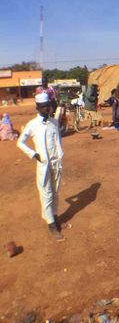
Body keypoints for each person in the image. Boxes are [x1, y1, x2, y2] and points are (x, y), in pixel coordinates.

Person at [17, 93, 66, 241]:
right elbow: (20, 142)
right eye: (44, 107)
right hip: (43, 165)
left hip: (56, 163)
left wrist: (60, 155)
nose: (47, 109)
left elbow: (57, 140)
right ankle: (51, 225)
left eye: (48, 106)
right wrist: (33, 154)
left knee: (55, 192)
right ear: (37, 107)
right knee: (46, 194)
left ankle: (54, 216)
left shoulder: (53, 122)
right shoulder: (32, 124)